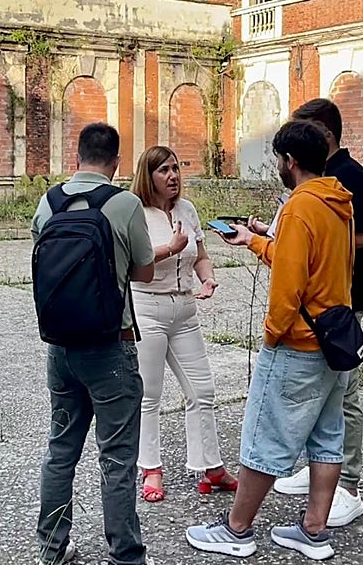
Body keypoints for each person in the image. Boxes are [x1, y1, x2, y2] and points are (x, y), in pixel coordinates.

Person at [186, 120, 354, 561]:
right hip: (333, 339)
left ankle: (237, 528)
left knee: (265, 436)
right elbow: (308, 258)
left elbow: (290, 286)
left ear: (289, 161)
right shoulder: (337, 201)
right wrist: (256, 242)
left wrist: (273, 334)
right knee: (326, 436)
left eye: (279, 160)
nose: (278, 167)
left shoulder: (299, 207)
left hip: (296, 343)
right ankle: (313, 530)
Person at [33, 123, 155, 565]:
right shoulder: (125, 204)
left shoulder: (48, 203)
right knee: (118, 457)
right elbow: (143, 272)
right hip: (110, 350)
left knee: (61, 448)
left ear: (77, 156)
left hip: (60, 349)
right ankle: (125, 555)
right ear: (117, 162)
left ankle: (52, 548)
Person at [264, 98, 363, 527]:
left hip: (341, 305)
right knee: (325, 397)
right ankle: (320, 473)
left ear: (326, 134)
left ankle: (349, 484)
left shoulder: (349, 176)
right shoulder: (319, 177)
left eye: (307, 130)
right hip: (320, 304)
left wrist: (311, 241)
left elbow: (360, 236)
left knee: (345, 397)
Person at [130, 145, 238, 501]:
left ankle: (211, 468)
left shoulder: (188, 210)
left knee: (202, 390)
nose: (173, 176)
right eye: (164, 170)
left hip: (185, 309)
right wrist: (171, 248)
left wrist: (207, 279)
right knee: (149, 395)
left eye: (176, 168)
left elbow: (201, 256)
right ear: (149, 176)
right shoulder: (136, 213)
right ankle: (151, 468)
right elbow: (134, 265)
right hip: (147, 307)